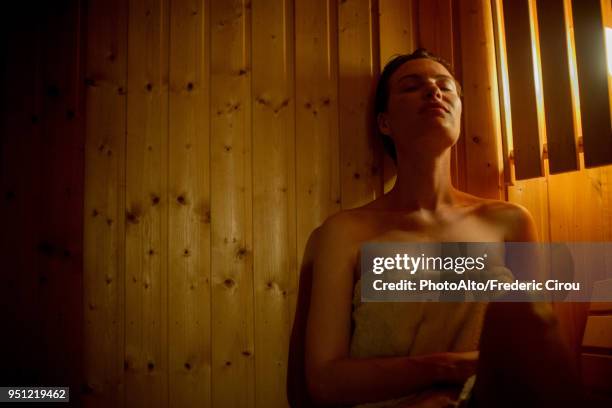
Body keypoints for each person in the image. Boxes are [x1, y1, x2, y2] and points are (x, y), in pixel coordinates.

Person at [287, 49, 582, 407]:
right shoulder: (344, 232)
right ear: (384, 123)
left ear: (459, 112)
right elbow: (325, 380)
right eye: (412, 86)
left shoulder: (510, 221)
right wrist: (445, 367)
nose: (434, 92)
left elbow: (531, 350)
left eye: (445, 86)